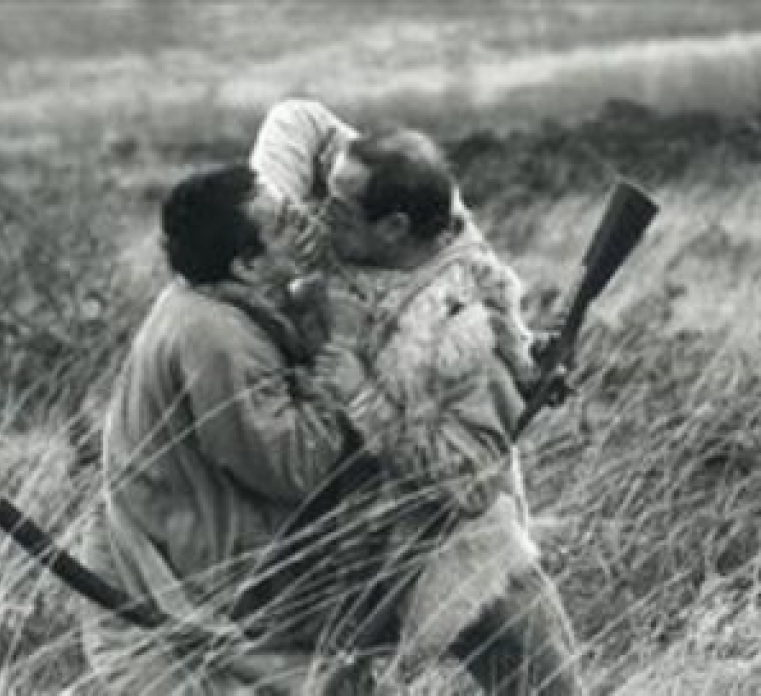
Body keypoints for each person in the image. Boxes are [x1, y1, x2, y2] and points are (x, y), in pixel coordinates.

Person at [247, 98, 585, 694]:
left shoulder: (460, 326)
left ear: (395, 228)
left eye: (340, 209)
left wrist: (363, 396)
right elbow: (297, 119)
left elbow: (468, 483)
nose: (322, 216)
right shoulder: (358, 251)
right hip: (345, 555)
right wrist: (271, 216)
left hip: (457, 558)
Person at [79, 165, 384, 694]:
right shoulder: (216, 336)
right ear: (246, 265)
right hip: (185, 596)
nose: (304, 220)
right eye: (284, 223)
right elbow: (298, 469)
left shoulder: (208, 300)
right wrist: (339, 357)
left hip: (194, 572)